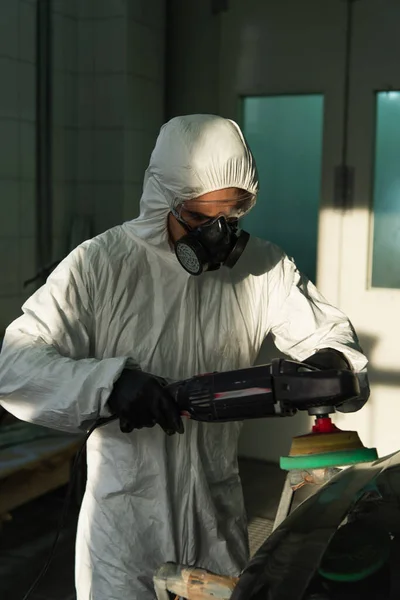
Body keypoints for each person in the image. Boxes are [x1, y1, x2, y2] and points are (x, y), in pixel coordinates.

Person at [0, 115, 369, 600]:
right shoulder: (101, 264)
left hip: (216, 512)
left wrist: (335, 360)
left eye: (231, 219)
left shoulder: (262, 268)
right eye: (199, 219)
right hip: (125, 526)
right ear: (162, 200)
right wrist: (109, 385)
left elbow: (329, 337)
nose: (217, 238)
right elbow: (14, 367)